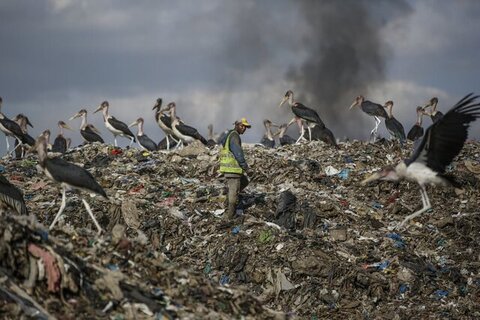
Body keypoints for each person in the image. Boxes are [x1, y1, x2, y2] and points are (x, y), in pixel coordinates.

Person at [219, 117, 251, 218]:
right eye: (242, 126)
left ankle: (228, 200)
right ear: (236, 125)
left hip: (229, 168)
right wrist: (244, 165)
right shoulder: (235, 136)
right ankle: (230, 214)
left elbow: (222, 142)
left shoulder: (229, 134)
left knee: (244, 181)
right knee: (234, 190)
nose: (244, 129)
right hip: (233, 169)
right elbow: (238, 152)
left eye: (245, 127)